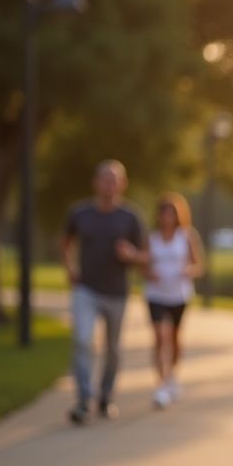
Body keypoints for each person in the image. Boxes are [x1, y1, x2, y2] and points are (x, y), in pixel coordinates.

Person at [62, 159, 147, 424]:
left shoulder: (131, 217)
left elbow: (146, 255)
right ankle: (83, 401)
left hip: (117, 293)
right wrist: (70, 267)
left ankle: (105, 397)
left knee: (113, 349)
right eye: (105, 179)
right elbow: (66, 242)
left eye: (114, 180)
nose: (109, 185)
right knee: (83, 341)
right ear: (95, 183)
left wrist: (132, 254)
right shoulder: (80, 213)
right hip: (86, 289)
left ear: (122, 184)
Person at [143, 192, 204, 409]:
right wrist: (149, 273)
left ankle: (172, 376)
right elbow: (144, 265)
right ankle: (161, 385)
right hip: (156, 294)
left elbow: (199, 265)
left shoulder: (186, 236)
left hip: (179, 295)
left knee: (175, 338)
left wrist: (189, 270)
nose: (167, 217)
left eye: (172, 213)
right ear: (159, 216)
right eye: (164, 213)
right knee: (160, 336)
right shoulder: (152, 238)